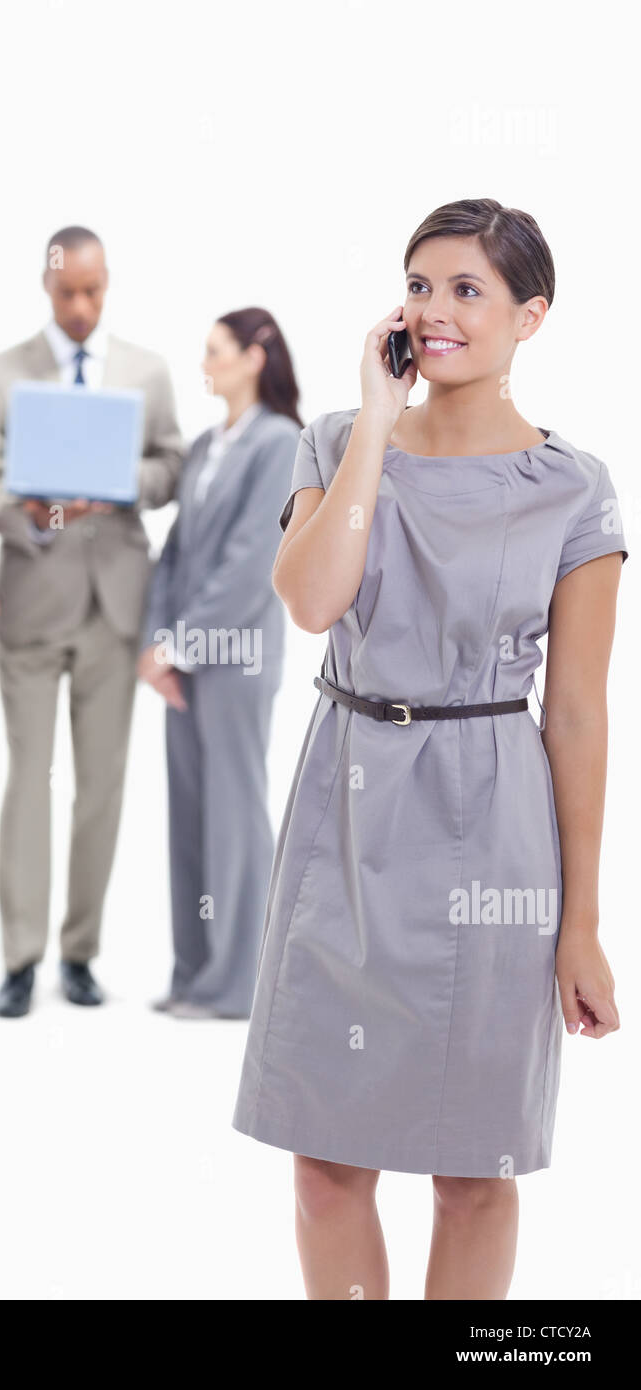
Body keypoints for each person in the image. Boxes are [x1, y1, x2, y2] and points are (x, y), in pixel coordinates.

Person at [231, 199, 628, 1299]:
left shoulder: (570, 487)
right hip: (346, 809)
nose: (434, 310)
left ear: (528, 317)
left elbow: (579, 714)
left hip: (490, 826)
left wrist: (579, 926)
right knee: (321, 1161)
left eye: (466, 290)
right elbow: (312, 599)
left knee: (471, 1169)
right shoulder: (331, 442)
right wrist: (372, 418)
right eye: (418, 284)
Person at [0, 225, 185, 1017]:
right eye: (68, 293)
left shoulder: (147, 372)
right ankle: (20, 959)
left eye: (94, 291)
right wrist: (25, 509)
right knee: (29, 780)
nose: (82, 306)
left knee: (101, 786)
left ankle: (79, 954)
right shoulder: (0, 376)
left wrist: (119, 480)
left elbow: (173, 466)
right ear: (46, 285)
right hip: (32, 599)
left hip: (114, 605)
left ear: (107, 283)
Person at [137, 309, 301, 1018]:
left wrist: (182, 644)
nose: (203, 362)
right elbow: (174, 554)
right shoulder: (207, 445)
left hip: (235, 659)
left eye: (215, 351)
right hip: (184, 662)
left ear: (253, 357)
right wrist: (157, 645)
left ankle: (237, 985)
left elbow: (250, 564)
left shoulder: (281, 443)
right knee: (191, 811)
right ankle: (192, 974)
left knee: (234, 811)